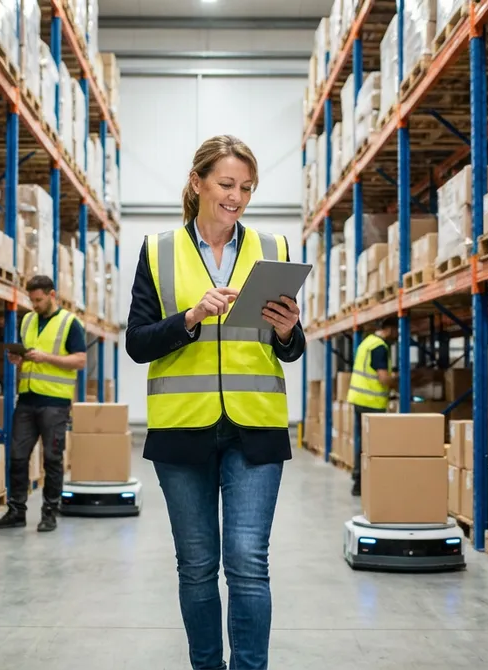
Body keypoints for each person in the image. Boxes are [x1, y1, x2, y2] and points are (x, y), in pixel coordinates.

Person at [125, 135, 305, 670]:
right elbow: (137, 343)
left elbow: (289, 350)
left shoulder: (273, 249)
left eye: (247, 188)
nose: (237, 197)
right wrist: (190, 317)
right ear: (197, 183)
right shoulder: (159, 250)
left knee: (248, 563)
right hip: (183, 432)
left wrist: (291, 331)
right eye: (227, 184)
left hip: (256, 429)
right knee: (198, 566)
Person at [0, 274, 87, 533]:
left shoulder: (70, 323)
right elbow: (28, 355)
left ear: (52, 295)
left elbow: (80, 361)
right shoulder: (29, 319)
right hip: (27, 398)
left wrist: (47, 358)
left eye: (39, 300)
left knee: (52, 459)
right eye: (31, 300)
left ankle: (49, 512)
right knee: (17, 456)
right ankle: (16, 511)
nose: (35, 305)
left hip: (55, 402)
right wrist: (18, 360)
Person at [347, 317, 398, 496]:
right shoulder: (379, 346)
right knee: (373, 444)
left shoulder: (366, 342)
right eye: (396, 331)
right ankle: (364, 482)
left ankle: (358, 480)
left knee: (362, 441)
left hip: (359, 399)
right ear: (389, 329)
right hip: (372, 402)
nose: (397, 335)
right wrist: (399, 383)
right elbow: (383, 377)